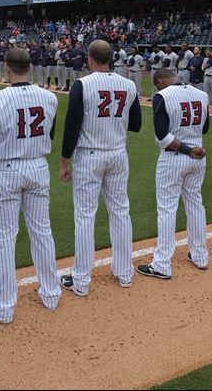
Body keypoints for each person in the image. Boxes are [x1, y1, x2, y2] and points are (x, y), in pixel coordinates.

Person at [0, 48, 62, 323]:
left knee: (5, 237)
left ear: (7, 67)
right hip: (38, 166)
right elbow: (49, 132)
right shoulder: (50, 97)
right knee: (42, 232)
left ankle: (3, 307)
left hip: (7, 169)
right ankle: (51, 294)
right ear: (30, 66)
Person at [60, 40, 142, 297]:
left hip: (90, 155)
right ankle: (125, 272)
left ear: (90, 60)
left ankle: (82, 281)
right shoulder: (129, 84)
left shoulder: (82, 84)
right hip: (118, 153)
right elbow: (136, 124)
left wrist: (65, 160)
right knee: (120, 211)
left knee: (85, 215)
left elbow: (71, 128)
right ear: (112, 59)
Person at [137, 69, 209, 279]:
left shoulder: (163, 95)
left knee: (167, 208)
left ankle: (161, 264)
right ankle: (200, 256)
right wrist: (192, 149)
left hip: (174, 157)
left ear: (160, 81)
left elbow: (162, 136)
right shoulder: (201, 94)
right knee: (195, 204)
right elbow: (204, 129)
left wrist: (186, 149)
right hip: (199, 156)